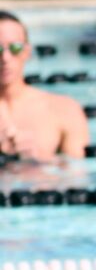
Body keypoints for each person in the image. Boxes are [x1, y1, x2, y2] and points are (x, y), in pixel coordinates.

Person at [0, 14, 89, 161]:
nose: (5, 58)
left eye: (15, 47)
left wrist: (39, 159)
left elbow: (78, 177)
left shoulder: (64, 109)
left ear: (27, 52)